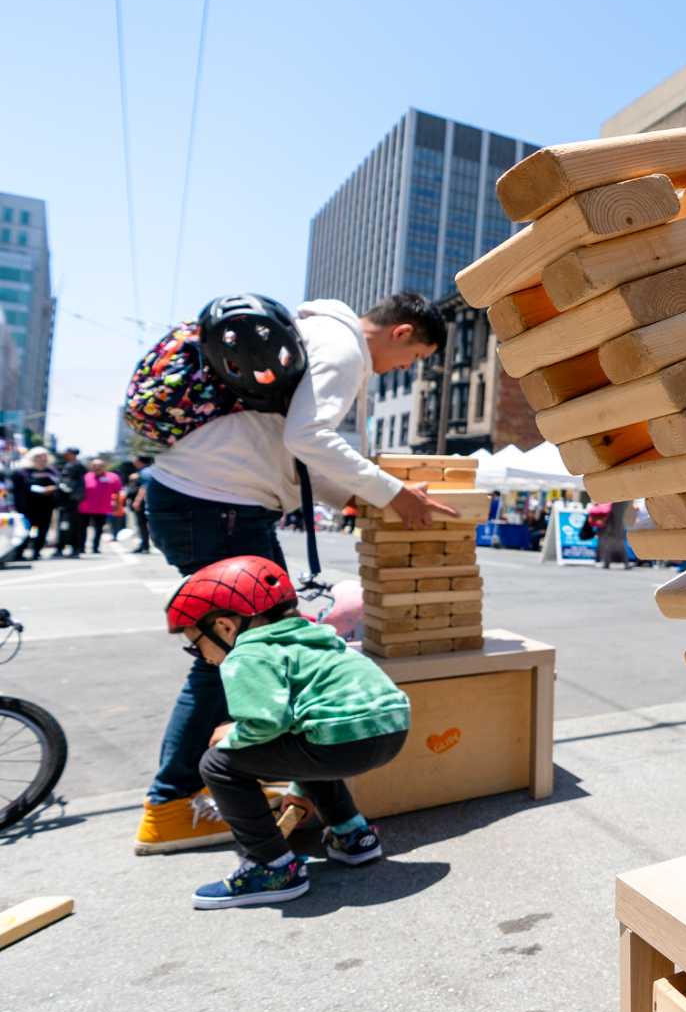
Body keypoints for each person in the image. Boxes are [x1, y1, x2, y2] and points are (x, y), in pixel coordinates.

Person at [135, 293, 450, 855]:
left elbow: (290, 449)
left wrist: (357, 495)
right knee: (236, 657)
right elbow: (309, 438)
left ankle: (222, 785)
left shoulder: (315, 335)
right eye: (415, 357)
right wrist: (393, 492)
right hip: (220, 508)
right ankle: (171, 804)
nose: (404, 369)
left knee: (248, 654)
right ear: (401, 332)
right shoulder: (343, 347)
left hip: (210, 503)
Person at [167, 556, 410, 909]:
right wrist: (298, 785)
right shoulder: (313, 632)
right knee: (305, 740)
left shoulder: (248, 653)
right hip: (391, 730)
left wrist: (230, 735)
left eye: (196, 645)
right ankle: (353, 836)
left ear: (224, 627)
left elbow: (267, 723)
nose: (202, 657)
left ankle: (272, 867)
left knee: (217, 764)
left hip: (339, 742)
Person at [8, 447, 62, 558]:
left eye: (44, 457)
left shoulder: (51, 471)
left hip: (46, 506)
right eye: (39, 457)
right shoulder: (23, 472)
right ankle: (20, 552)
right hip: (28, 507)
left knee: (43, 529)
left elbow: (58, 483)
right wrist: (42, 490)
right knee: (28, 529)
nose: (42, 459)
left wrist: (53, 489)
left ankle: (36, 551)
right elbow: (22, 487)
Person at [78, 457, 123, 554]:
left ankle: (95, 547)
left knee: (99, 529)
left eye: (100, 466)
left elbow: (117, 492)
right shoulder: (86, 476)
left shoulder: (113, 477)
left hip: (102, 508)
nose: (97, 468)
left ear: (104, 467)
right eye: (95, 466)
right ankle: (81, 547)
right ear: (91, 467)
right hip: (85, 508)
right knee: (82, 528)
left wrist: (116, 503)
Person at [54, 446, 87, 557]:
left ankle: (75, 548)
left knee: (74, 526)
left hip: (73, 502)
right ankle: (61, 548)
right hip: (64, 502)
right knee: (63, 526)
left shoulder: (78, 466)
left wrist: (73, 492)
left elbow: (79, 484)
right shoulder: (65, 465)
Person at [123, 456, 154, 554]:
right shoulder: (145, 471)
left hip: (144, 502)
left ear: (140, 461)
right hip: (147, 501)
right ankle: (144, 545)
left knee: (142, 524)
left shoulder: (145, 472)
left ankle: (145, 546)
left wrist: (137, 501)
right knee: (142, 524)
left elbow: (145, 487)